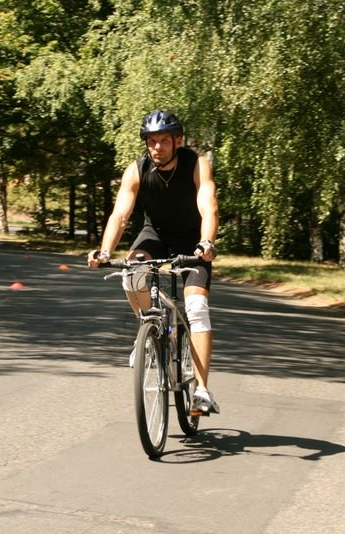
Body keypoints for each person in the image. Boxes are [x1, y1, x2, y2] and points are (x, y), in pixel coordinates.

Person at [87, 109, 221, 414]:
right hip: (155, 234)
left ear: (177, 141)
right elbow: (120, 215)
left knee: (197, 308)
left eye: (163, 140)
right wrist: (105, 251)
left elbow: (208, 205)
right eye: (151, 141)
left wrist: (207, 242)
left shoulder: (196, 164)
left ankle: (201, 390)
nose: (156, 147)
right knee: (131, 275)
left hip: (193, 240)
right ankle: (148, 327)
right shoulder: (137, 170)